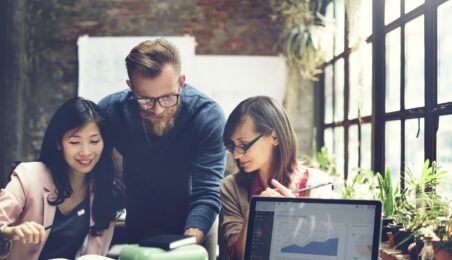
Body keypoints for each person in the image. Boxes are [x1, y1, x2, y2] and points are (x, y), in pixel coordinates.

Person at [97, 38, 226, 259]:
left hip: (195, 227)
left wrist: (182, 248)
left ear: (181, 82)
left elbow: (207, 194)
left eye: (167, 98)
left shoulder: (207, 117)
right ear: (130, 87)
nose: (157, 110)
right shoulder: (111, 112)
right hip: (139, 222)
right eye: (145, 99)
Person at [0, 97, 124, 260]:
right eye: (74, 142)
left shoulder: (106, 189)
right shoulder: (29, 177)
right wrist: (9, 232)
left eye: (94, 141)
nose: (86, 152)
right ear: (59, 143)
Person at [220, 96, 333, 260]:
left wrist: (296, 216)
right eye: (232, 146)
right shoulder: (231, 188)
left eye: (243, 145)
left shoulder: (316, 185)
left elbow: (325, 252)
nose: (236, 155)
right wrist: (255, 212)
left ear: (275, 137)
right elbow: (239, 256)